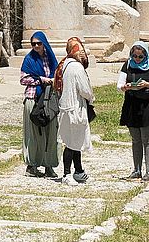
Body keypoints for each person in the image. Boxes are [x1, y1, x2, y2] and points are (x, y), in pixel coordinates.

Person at [118, 41, 149, 181]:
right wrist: (125, 87)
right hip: (131, 105)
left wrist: (147, 84)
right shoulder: (127, 65)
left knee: (147, 140)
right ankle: (136, 170)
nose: (137, 59)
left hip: (147, 106)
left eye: (140, 57)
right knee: (135, 139)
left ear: (146, 55)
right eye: (135, 56)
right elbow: (119, 85)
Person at [20, 31, 59, 178]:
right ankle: (32, 165)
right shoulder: (29, 59)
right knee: (33, 134)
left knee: (51, 133)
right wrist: (41, 80)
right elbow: (23, 79)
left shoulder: (51, 58)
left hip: (49, 99)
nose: (36, 46)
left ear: (44, 44)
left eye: (39, 43)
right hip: (33, 98)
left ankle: (49, 165)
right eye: (33, 44)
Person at [57, 37, 95, 186]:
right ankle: (66, 173)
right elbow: (85, 90)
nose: (82, 53)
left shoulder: (64, 64)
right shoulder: (77, 67)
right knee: (71, 143)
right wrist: (91, 97)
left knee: (75, 141)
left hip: (65, 107)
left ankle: (78, 171)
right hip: (75, 108)